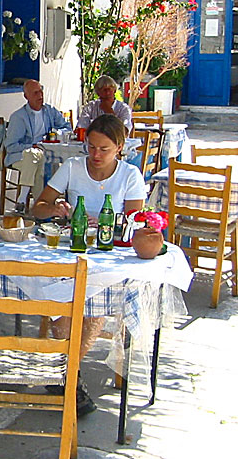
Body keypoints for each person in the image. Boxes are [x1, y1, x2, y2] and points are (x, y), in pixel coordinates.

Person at [31, 115, 147, 415]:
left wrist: (109, 222)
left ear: (120, 148)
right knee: (64, 301)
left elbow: (136, 223)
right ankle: (69, 376)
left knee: (92, 301)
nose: (95, 155)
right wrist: (56, 209)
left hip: (109, 257)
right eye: (91, 147)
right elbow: (38, 208)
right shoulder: (72, 167)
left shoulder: (130, 175)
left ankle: (66, 374)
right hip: (72, 252)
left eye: (104, 149)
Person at [3, 79, 71, 201]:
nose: (40, 96)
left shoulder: (49, 111)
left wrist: (56, 133)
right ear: (26, 96)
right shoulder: (19, 117)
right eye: (35, 93)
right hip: (20, 156)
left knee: (43, 161)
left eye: (41, 91)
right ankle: (42, 203)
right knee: (33, 156)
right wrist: (32, 146)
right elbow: (11, 146)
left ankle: (27, 200)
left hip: (45, 154)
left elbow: (67, 127)